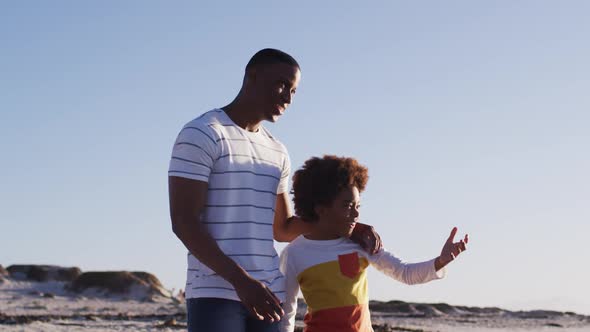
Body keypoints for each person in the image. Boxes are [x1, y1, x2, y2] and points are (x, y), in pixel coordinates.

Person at [168, 48, 382, 332]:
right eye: (282, 85)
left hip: (269, 291)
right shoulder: (202, 134)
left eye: (293, 90)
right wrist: (242, 282)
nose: (288, 97)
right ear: (252, 77)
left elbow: (281, 228)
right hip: (214, 291)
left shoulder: (277, 151)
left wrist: (345, 226)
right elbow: (184, 222)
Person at [279, 155, 469, 332]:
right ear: (321, 209)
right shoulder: (294, 254)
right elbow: (287, 311)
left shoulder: (362, 243)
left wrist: (440, 261)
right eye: (347, 206)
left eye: (358, 206)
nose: (356, 214)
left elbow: (404, 273)